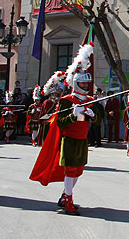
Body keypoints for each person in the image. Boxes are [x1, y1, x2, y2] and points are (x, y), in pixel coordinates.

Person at [30, 43, 100, 216]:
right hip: (69, 139)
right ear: (76, 83)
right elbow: (60, 122)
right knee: (70, 170)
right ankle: (68, 200)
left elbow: (96, 122)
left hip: (82, 139)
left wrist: (92, 115)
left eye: (86, 84)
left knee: (78, 171)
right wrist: (73, 115)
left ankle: (64, 195)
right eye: (82, 83)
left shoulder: (89, 100)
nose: (85, 86)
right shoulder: (67, 100)